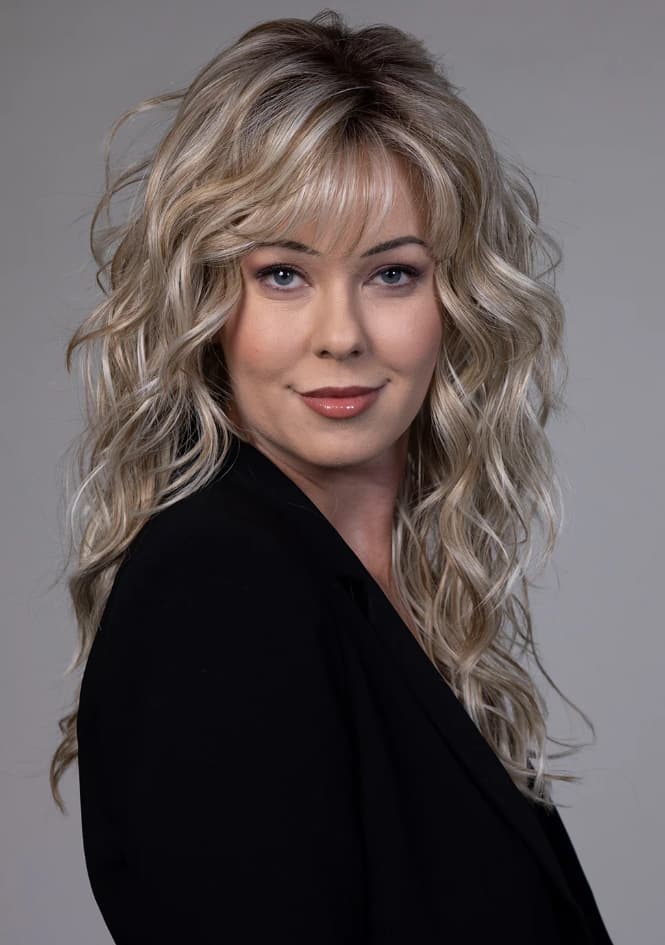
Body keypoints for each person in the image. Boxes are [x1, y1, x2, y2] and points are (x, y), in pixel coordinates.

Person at [49, 9, 615, 944]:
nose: (340, 334)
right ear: (202, 301)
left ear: (457, 299)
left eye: (392, 273)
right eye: (282, 273)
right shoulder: (214, 585)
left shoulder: (394, 592)